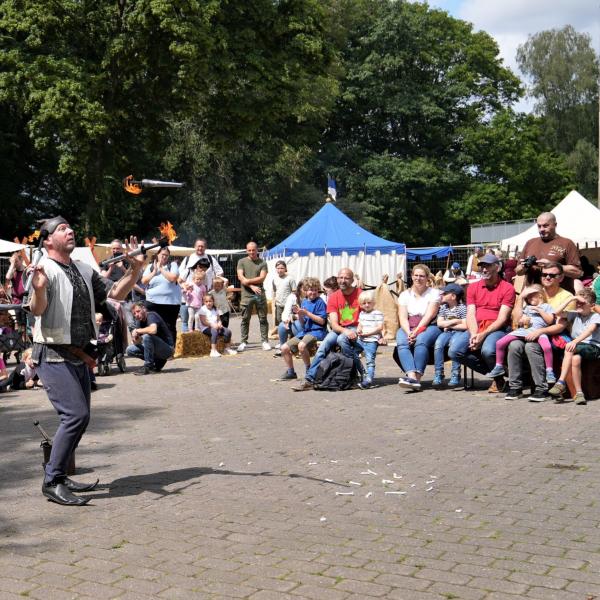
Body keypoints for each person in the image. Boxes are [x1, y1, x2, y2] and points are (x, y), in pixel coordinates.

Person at [29, 216, 144, 506]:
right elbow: (37, 309)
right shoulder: (44, 268)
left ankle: (60, 475)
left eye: (70, 227)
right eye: (62, 229)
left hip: (80, 355)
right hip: (52, 354)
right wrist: (40, 288)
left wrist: (136, 268)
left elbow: (115, 293)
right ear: (47, 240)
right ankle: (51, 480)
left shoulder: (82, 268)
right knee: (75, 416)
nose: (70, 231)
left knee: (81, 418)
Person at [505, 261, 573, 401]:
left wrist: (540, 331)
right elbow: (517, 319)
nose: (547, 277)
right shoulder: (534, 291)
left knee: (531, 346)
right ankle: (515, 386)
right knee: (514, 345)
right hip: (528, 331)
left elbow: (560, 326)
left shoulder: (566, 297)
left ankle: (540, 388)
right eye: (544, 274)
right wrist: (522, 297)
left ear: (560, 277)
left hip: (553, 335)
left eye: (552, 275)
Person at [449, 253, 515, 392]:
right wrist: (474, 334)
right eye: (482, 266)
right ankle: (499, 376)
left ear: (497, 268)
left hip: (497, 328)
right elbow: (471, 313)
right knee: (454, 351)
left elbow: (502, 318)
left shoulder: (507, 288)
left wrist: (482, 335)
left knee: (488, 350)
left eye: (488, 266)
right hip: (476, 327)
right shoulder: (473, 287)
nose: (484, 269)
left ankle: (498, 378)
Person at [294, 268, 362, 391]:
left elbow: (369, 314)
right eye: (340, 277)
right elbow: (334, 324)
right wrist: (345, 331)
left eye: (346, 278)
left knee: (342, 340)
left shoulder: (360, 294)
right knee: (322, 349)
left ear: (352, 280)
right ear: (337, 279)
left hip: (357, 327)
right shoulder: (334, 297)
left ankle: (355, 375)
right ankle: (309, 379)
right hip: (339, 328)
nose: (343, 280)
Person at [486, 284, 556, 383]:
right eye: (527, 297)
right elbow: (518, 320)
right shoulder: (527, 308)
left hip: (538, 331)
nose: (528, 298)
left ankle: (549, 371)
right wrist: (522, 320)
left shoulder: (546, 306)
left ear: (540, 295)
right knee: (499, 343)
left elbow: (549, 321)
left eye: (531, 296)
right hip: (523, 331)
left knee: (547, 347)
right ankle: (499, 366)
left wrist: (539, 310)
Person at [549, 288, 600, 405]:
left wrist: (574, 341)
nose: (579, 304)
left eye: (583, 303)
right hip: (579, 347)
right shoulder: (574, 315)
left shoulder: (596, 316)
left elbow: (589, 331)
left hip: (593, 348)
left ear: (592, 305)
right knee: (575, 359)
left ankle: (561, 382)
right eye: (578, 302)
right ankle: (579, 393)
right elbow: (556, 312)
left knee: (568, 347)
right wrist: (572, 298)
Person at [396, 264, 441, 391]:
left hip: (428, 325)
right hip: (408, 325)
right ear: (411, 276)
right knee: (401, 342)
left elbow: (429, 315)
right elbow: (403, 317)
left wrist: (415, 332)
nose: (418, 278)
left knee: (421, 341)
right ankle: (411, 376)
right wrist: (408, 332)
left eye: (422, 276)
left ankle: (417, 378)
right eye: (416, 275)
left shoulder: (434, 293)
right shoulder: (404, 295)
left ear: (427, 278)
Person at [515, 211, 582, 294]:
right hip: (534, 298)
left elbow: (577, 272)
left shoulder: (567, 243)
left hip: (559, 297)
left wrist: (552, 265)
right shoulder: (530, 243)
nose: (542, 229)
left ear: (555, 225)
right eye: (539, 226)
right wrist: (524, 266)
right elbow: (517, 271)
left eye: (546, 226)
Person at [279, 277, 327, 380]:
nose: (313, 292)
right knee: (284, 348)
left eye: (315, 290)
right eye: (310, 290)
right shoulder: (304, 302)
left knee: (301, 345)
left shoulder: (320, 302)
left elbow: (322, 321)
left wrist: (307, 313)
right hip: (306, 331)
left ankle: (309, 371)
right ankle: (291, 372)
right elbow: (303, 322)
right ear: (305, 291)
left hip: (317, 331)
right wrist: (299, 314)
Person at [178, 238, 225, 331]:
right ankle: (186, 343)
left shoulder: (211, 259)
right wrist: (184, 286)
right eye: (198, 246)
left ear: (205, 247)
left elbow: (220, 272)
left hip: (204, 299)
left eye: (202, 246)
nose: (200, 248)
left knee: (202, 322)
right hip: (188, 299)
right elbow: (179, 277)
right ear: (195, 247)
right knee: (186, 321)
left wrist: (215, 282)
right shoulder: (188, 259)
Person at [141, 246, 180, 344]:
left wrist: (161, 269)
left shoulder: (173, 265)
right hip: (152, 302)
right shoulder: (150, 266)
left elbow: (173, 278)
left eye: (167, 255)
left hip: (171, 303)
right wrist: (154, 271)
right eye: (162, 255)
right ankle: (156, 349)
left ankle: (170, 350)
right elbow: (144, 281)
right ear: (157, 255)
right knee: (153, 325)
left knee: (170, 326)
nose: (164, 257)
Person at [237, 241, 270, 351]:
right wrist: (252, 286)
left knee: (263, 318)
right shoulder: (241, 261)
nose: (251, 252)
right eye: (249, 250)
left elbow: (262, 278)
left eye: (253, 250)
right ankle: (243, 341)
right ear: (246, 250)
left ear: (257, 250)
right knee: (245, 319)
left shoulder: (263, 263)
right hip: (246, 295)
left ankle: (265, 341)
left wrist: (248, 281)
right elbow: (240, 277)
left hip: (260, 294)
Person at [432, 283, 467, 389]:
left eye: (445, 293)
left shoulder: (462, 308)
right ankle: (439, 373)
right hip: (446, 333)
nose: (442, 295)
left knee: (454, 345)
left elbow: (465, 325)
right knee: (438, 344)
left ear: (453, 296)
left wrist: (449, 324)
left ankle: (456, 373)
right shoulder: (443, 307)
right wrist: (456, 321)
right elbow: (440, 323)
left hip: (458, 333)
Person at [126, 302, 174, 375]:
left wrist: (138, 331)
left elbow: (153, 330)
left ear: (144, 309)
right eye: (134, 314)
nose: (136, 315)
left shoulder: (151, 315)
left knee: (147, 336)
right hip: (156, 350)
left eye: (138, 311)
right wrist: (135, 338)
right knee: (129, 350)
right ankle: (157, 361)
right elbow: (138, 342)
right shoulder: (139, 321)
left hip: (167, 349)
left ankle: (148, 366)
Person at [356, 291, 385, 388]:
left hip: (371, 340)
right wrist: (359, 329)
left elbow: (380, 327)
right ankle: (362, 373)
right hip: (361, 339)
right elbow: (360, 324)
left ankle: (369, 379)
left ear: (373, 302)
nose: (367, 305)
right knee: (353, 355)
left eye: (369, 302)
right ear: (361, 304)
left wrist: (369, 333)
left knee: (370, 360)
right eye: (364, 303)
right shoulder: (362, 313)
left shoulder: (377, 313)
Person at [274, 281, 303, 356]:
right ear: (299, 289)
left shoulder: (310, 298)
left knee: (297, 324)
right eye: (303, 288)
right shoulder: (292, 296)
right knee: (281, 326)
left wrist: (294, 317)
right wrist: (286, 320)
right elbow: (286, 312)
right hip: (293, 320)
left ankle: (299, 348)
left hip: (304, 322)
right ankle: (283, 347)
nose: (305, 291)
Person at [272, 260, 296, 327]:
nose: (280, 270)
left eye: (282, 268)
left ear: (285, 269)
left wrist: (293, 304)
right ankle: (282, 335)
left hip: (288, 305)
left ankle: (290, 335)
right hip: (279, 304)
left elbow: (294, 291)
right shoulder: (274, 279)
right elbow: (274, 291)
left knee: (288, 320)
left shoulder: (290, 279)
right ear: (276, 269)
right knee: (279, 320)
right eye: (278, 268)